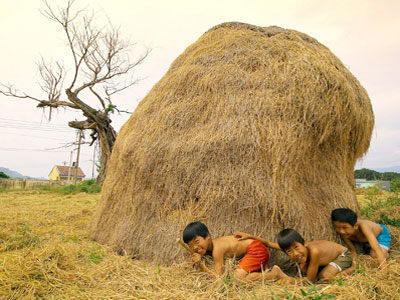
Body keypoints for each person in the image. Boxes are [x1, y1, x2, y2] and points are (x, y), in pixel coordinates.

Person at [235, 229, 355, 283]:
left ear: (303, 243)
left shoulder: (314, 252)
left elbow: (310, 281)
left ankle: (353, 267)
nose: (295, 253)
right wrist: (250, 236)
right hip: (327, 258)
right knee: (303, 268)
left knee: (324, 277)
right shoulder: (298, 250)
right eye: (289, 251)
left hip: (342, 255)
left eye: (297, 247)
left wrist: (285, 278)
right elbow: (268, 243)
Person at [182, 221, 279, 282]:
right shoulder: (208, 247)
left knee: (237, 278)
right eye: (190, 245)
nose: (195, 247)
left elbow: (219, 278)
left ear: (207, 237)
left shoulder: (217, 249)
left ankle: (274, 275)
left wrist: (200, 265)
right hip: (254, 249)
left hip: (257, 250)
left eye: (197, 242)